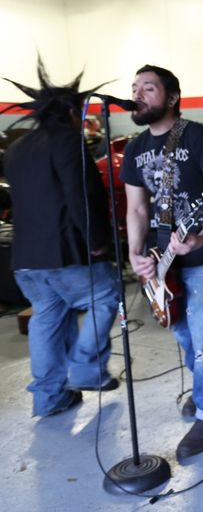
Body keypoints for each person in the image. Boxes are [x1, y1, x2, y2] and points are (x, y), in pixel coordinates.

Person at [120, 64, 203, 461]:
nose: (137, 95)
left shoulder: (200, 138)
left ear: (172, 97)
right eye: (134, 88)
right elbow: (137, 209)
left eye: (148, 88)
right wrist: (135, 254)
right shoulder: (135, 149)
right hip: (162, 259)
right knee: (183, 334)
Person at [3, 60, 120, 417]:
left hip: (26, 260)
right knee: (106, 295)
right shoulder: (68, 140)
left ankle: (49, 397)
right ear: (71, 111)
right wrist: (98, 240)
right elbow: (80, 194)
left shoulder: (17, 148)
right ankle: (86, 368)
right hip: (66, 253)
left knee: (47, 318)